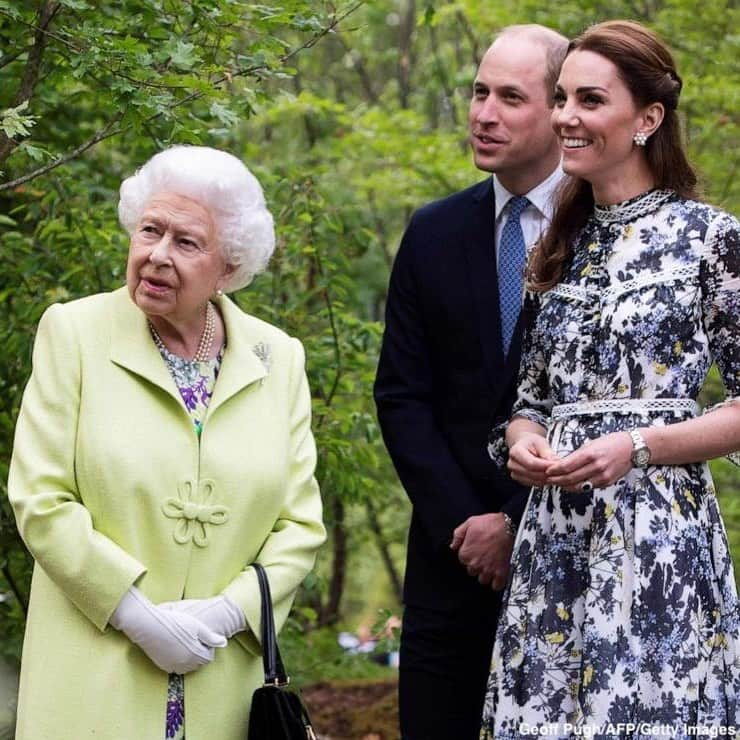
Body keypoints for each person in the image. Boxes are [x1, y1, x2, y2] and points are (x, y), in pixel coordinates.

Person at [7, 145, 326, 740]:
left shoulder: (277, 357)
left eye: (185, 242)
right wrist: (134, 613)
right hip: (93, 677)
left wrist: (228, 612)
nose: (156, 255)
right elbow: (40, 496)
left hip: (222, 679)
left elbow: (299, 524)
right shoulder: (73, 333)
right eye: (150, 231)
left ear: (228, 268)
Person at [481, 20, 740, 736]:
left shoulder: (709, 238)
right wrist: (526, 441)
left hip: (658, 538)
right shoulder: (558, 242)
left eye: (589, 100)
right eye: (561, 98)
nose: (565, 116)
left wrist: (640, 446)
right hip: (555, 541)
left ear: (647, 119)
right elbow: (529, 402)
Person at [374, 25, 569, 739]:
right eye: (479, 92)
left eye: (510, 97)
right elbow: (400, 394)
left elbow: (612, 401)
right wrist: (469, 525)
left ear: (561, 110)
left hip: (568, 555)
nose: (484, 113)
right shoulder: (432, 231)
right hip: (447, 561)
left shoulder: (607, 232)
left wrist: (516, 523)